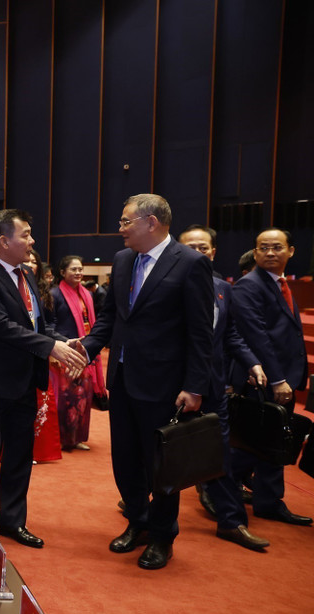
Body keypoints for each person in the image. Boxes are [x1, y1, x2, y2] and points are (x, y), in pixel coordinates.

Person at [79, 193, 213, 570]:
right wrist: (86, 349)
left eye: (125, 222)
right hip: (121, 380)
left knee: (161, 466)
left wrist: (195, 385)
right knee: (125, 459)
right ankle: (136, 522)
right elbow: (111, 319)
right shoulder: (123, 261)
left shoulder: (190, 264)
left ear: (151, 222)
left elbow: (201, 333)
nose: (119, 229)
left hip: (166, 384)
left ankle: (161, 536)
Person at [0, 211, 86, 549]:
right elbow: (1, 327)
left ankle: (12, 521)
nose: (32, 241)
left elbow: (34, 323)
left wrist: (59, 341)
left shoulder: (25, 275)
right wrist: (50, 347)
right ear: (4, 241)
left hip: (25, 380)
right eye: (27, 234)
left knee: (20, 456)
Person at [177, 225, 272, 550]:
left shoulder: (223, 288)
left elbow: (229, 334)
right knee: (164, 450)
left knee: (220, 456)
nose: (197, 252)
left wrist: (251, 362)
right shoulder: (169, 285)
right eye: (190, 247)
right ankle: (144, 506)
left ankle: (231, 522)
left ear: (213, 252)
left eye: (203, 247)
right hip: (175, 386)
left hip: (214, 385)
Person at [230, 227, 312, 527]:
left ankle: (268, 501)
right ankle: (218, 490)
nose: (269, 253)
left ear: (291, 251)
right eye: (263, 247)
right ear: (254, 252)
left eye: (277, 247)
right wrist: (278, 379)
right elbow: (257, 338)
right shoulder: (248, 286)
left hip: (285, 376)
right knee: (252, 443)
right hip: (264, 379)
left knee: (272, 443)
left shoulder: (281, 284)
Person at [50, 254, 105, 451]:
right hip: (66, 352)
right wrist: (64, 343)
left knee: (83, 398)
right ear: (62, 272)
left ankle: (77, 438)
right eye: (73, 269)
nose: (78, 272)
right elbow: (50, 325)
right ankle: (63, 440)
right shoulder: (54, 294)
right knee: (66, 399)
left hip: (86, 351)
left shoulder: (87, 294)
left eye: (81, 269)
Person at [24, 250, 63, 465]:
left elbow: (45, 325)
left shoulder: (41, 290)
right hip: (18, 353)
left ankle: (36, 449)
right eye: (26, 260)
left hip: (41, 351)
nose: (31, 264)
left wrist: (61, 342)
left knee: (40, 404)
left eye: (34, 262)